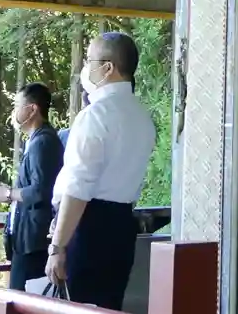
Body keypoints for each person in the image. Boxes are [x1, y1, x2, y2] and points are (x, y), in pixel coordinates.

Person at [47, 31, 156, 308]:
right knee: (108, 305)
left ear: (107, 68)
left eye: (89, 60)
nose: (85, 67)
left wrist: (57, 247)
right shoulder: (142, 117)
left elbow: (78, 187)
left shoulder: (95, 115)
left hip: (88, 226)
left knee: (79, 306)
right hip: (121, 226)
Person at [0, 83, 65, 291]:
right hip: (26, 239)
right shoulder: (35, 140)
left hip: (34, 241)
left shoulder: (43, 142)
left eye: (17, 106)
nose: (13, 112)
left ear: (32, 109)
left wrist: (8, 193)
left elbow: (42, 191)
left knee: (20, 298)